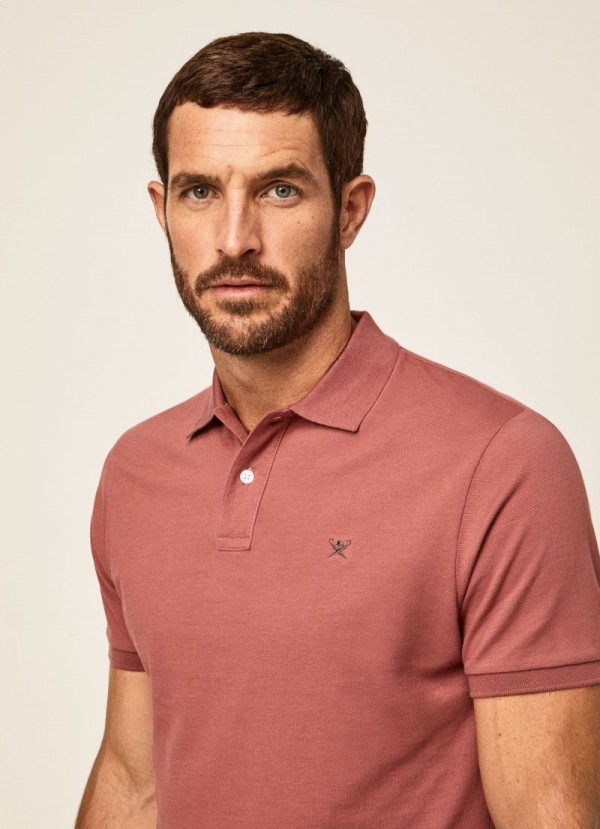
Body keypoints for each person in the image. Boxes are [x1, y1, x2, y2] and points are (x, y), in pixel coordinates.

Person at [75, 32, 600, 829]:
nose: (235, 238)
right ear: (162, 210)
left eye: (280, 190)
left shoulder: (502, 464)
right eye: (200, 191)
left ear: (350, 211)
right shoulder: (136, 472)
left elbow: (548, 813)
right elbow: (133, 777)